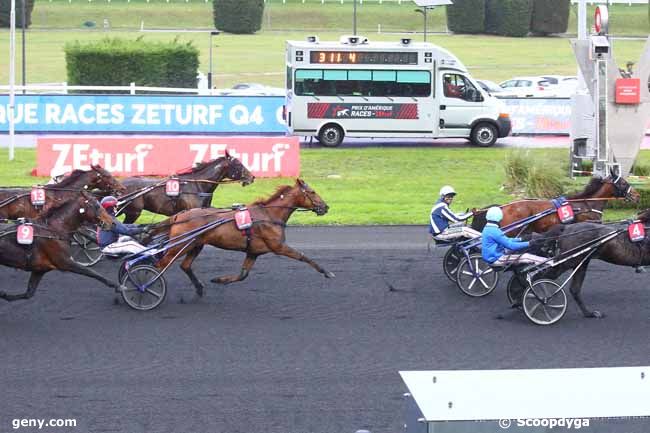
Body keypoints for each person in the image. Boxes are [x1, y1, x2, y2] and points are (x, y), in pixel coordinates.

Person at [481, 206, 547, 267]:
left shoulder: (488, 228)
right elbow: (511, 246)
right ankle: (550, 263)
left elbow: (506, 240)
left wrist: (521, 239)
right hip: (496, 259)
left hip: (491, 256)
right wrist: (530, 243)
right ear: (499, 217)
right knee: (527, 257)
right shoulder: (494, 231)